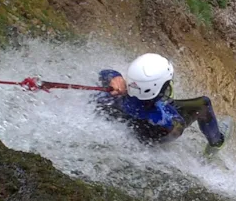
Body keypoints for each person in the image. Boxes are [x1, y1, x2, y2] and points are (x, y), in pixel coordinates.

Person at [96, 53, 226, 151]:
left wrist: (114, 76)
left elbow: (104, 73)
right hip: (150, 133)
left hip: (130, 120)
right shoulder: (166, 116)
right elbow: (176, 125)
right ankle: (216, 142)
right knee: (203, 104)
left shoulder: (113, 95)